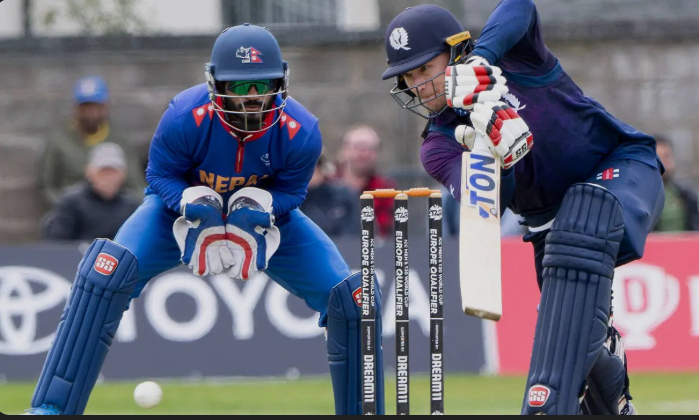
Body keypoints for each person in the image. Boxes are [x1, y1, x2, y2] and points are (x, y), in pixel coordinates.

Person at [25, 24, 384, 415]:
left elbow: (294, 192)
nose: (253, 97)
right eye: (241, 86)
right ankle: (52, 409)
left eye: (263, 85)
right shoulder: (184, 116)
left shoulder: (302, 131)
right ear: (217, 84)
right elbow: (158, 176)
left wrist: (262, 205)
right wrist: (189, 201)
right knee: (104, 274)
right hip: (178, 213)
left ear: (280, 82)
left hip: (265, 218)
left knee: (354, 300)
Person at [381, 1, 664, 415]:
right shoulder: (438, 144)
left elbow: (520, 7)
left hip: (622, 168)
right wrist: (499, 158)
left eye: (425, 69)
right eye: (409, 76)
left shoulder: (514, 59)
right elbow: (488, 205)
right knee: (574, 338)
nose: (420, 86)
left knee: (583, 217)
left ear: (457, 50)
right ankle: (614, 392)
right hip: (551, 229)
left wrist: (480, 61)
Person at [40, 76, 146, 206]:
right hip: (74, 210)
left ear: (105, 107)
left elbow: (136, 184)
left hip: (113, 209)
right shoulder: (59, 141)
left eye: (96, 107)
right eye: (85, 107)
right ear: (76, 108)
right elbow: (47, 186)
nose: (91, 113)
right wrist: (66, 207)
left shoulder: (119, 140)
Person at [42, 142, 140, 241]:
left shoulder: (132, 206)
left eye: (113, 172)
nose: (108, 178)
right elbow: (56, 242)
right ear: (89, 172)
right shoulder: (71, 202)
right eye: (103, 172)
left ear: (123, 174)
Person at [336, 125, 395, 237]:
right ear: (344, 150)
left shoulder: (385, 190)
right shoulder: (327, 186)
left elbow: (388, 234)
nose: (364, 154)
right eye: (359, 147)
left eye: (371, 148)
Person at [300, 149, 358, 237]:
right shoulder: (287, 203)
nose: (312, 170)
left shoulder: (345, 196)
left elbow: (355, 234)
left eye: (317, 164)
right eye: (302, 165)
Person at [653, 136, 699, 232]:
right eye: (658, 157)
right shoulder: (639, 197)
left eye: (666, 156)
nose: (663, 162)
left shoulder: (686, 194)